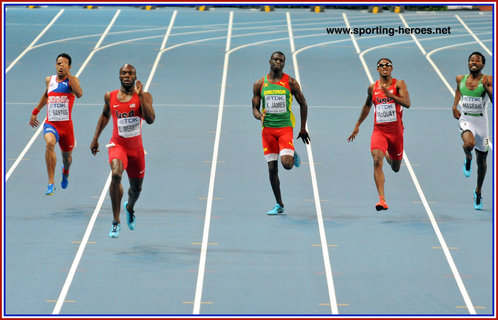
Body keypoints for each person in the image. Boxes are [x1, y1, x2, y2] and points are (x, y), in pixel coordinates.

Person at [90, 64, 155, 238]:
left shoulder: (145, 96)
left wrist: (140, 95)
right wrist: (95, 138)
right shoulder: (110, 96)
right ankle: (115, 221)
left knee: (136, 189)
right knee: (116, 173)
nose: (127, 75)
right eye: (124, 73)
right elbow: (105, 115)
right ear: (119, 76)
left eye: (130, 73)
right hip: (117, 146)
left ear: (135, 77)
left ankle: (129, 208)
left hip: (136, 150)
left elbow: (150, 119)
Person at [347, 58, 411, 211]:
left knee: (396, 167)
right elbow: (367, 106)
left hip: (396, 133)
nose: (384, 67)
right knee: (376, 160)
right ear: (377, 69)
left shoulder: (399, 84)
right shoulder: (372, 87)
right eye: (381, 65)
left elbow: (407, 103)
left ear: (391, 68)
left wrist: (390, 95)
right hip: (379, 131)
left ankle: (388, 154)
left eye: (387, 65)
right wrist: (357, 125)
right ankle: (382, 200)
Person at [252, 51, 310, 215]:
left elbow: (304, 104)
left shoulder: (290, 82)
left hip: (285, 128)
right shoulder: (259, 84)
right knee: (272, 169)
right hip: (267, 130)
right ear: (270, 61)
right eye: (275, 59)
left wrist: (303, 128)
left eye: (281, 60)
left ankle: (291, 153)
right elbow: (254, 108)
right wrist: (258, 115)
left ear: (284, 64)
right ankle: (279, 204)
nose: (278, 62)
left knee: (287, 165)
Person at [29, 53, 83, 195]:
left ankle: (65, 172)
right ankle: (51, 183)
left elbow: (79, 94)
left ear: (69, 66)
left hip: (66, 128)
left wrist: (69, 75)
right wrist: (35, 111)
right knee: (50, 144)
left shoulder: (72, 81)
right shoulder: (50, 80)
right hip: (51, 124)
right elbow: (46, 95)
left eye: (64, 64)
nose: (61, 66)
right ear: (55, 65)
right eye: (59, 63)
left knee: (67, 159)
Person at [451, 51, 492, 210]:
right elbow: (457, 91)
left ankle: (478, 191)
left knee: (482, 161)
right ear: (468, 63)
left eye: (478, 60)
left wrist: (487, 87)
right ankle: (467, 158)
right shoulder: (460, 79)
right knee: (469, 143)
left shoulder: (488, 80)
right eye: (471, 60)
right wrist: (454, 106)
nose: (474, 62)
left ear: (482, 64)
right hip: (466, 119)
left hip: (482, 123)